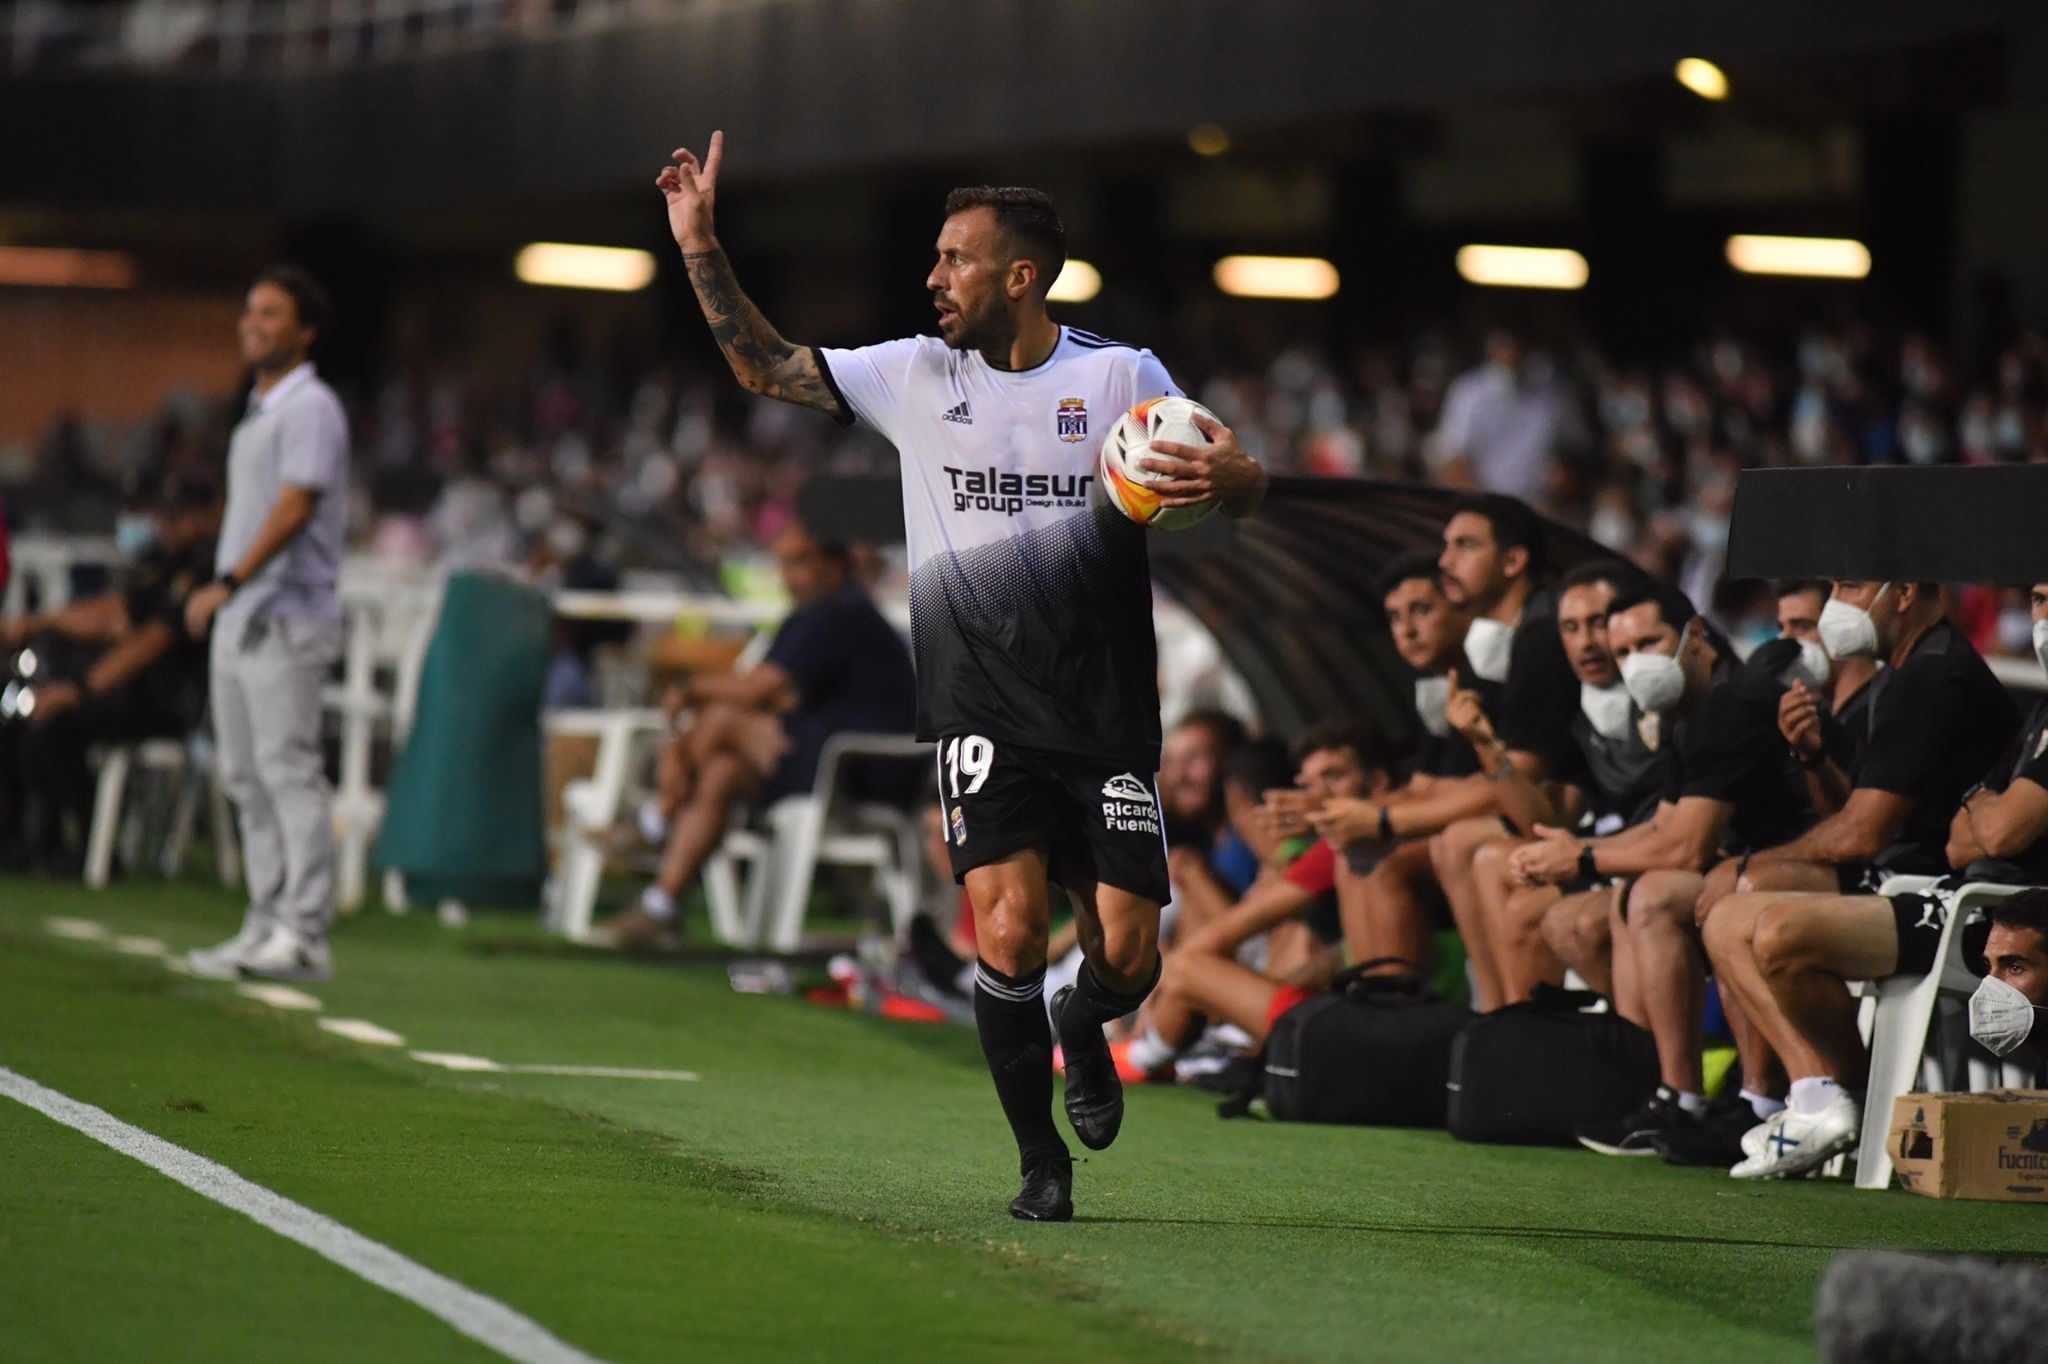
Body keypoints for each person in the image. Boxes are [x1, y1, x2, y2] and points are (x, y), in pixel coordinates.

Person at [658, 133, 1266, 1221]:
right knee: (1006, 929)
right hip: (978, 709)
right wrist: (700, 244)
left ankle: (1084, 1026)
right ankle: (1040, 1160)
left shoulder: (1120, 377)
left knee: (1128, 955)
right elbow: (764, 363)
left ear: (1018, 275)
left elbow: (1230, 472)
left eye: (954, 259)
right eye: (934, 258)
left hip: (1106, 710)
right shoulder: (910, 373)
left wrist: (1236, 475)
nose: (931, 277)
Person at [1702, 583, 2040, 1179]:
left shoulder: (1938, 675)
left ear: (1904, 592)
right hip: (1935, 887)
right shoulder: (1931, 681)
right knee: (1730, 919)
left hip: (1981, 915)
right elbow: (1965, 836)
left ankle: (1852, 1102)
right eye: (2038, 601)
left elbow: (1997, 833)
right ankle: (1820, 1099)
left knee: (1770, 920)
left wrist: (1985, 812)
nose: (1838, 602)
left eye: (1848, 586)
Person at [1517, 585, 1812, 1159]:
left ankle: (1737, 1099)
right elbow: (1663, 829)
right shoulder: (1685, 713)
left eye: (1649, 643)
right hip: (1744, 869)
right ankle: (1675, 1094)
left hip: (1791, 869)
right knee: (1636, 894)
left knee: (1652, 896)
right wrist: (1575, 847)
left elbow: (1684, 848)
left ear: (1695, 636)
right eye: (1624, 652)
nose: (1636, 664)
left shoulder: (1733, 701)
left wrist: (1579, 858)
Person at [599, 521, 916, 950]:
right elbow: (765, 695)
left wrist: (688, 696)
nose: (788, 575)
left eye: (799, 561)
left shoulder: (842, 612)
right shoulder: (814, 613)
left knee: (726, 722)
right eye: (783, 563)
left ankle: (657, 819)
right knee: (721, 773)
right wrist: (686, 738)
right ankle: (661, 906)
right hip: (824, 758)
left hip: (868, 770)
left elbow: (757, 687)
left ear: (835, 564)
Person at [184, 267, 350, 983]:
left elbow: (294, 508)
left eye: (272, 312)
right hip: (245, 614)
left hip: (284, 615)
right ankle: (267, 919)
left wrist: (227, 581)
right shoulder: (258, 408)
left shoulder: (310, 406)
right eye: (250, 309)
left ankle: (306, 932)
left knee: (288, 771)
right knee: (246, 775)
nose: (254, 322)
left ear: (304, 330)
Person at [1460, 559, 1664, 1005]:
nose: (1586, 643)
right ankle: (1512, 1028)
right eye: (1570, 628)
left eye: (1597, 624)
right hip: (1617, 852)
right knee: (1499, 861)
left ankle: (1617, 1041)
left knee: (1533, 913)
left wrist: (1584, 855)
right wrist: (1487, 748)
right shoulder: (1580, 709)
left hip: (1661, 856)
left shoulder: (1666, 697)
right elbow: (1547, 818)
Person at [0, 474, 219, 871]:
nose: (166, 525)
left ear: (205, 516)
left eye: (177, 516)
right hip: (128, 693)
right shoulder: (162, 565)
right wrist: (39, 624)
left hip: (168, 705)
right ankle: (27, 840)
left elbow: (149, 642)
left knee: (57, 726)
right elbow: (113, 612)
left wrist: (78, 690)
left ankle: (88, 848)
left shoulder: (205, 572)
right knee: (19, 719)